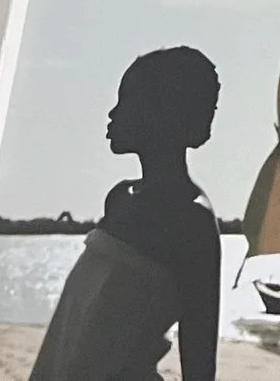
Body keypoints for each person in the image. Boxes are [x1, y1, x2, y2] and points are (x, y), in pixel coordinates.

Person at [29, 47, 223, 381]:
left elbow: (199, 356)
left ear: (163, 113)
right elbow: (73, 328)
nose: (113, 114)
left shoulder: (192, 222)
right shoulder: (120, 199)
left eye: (128, 101)